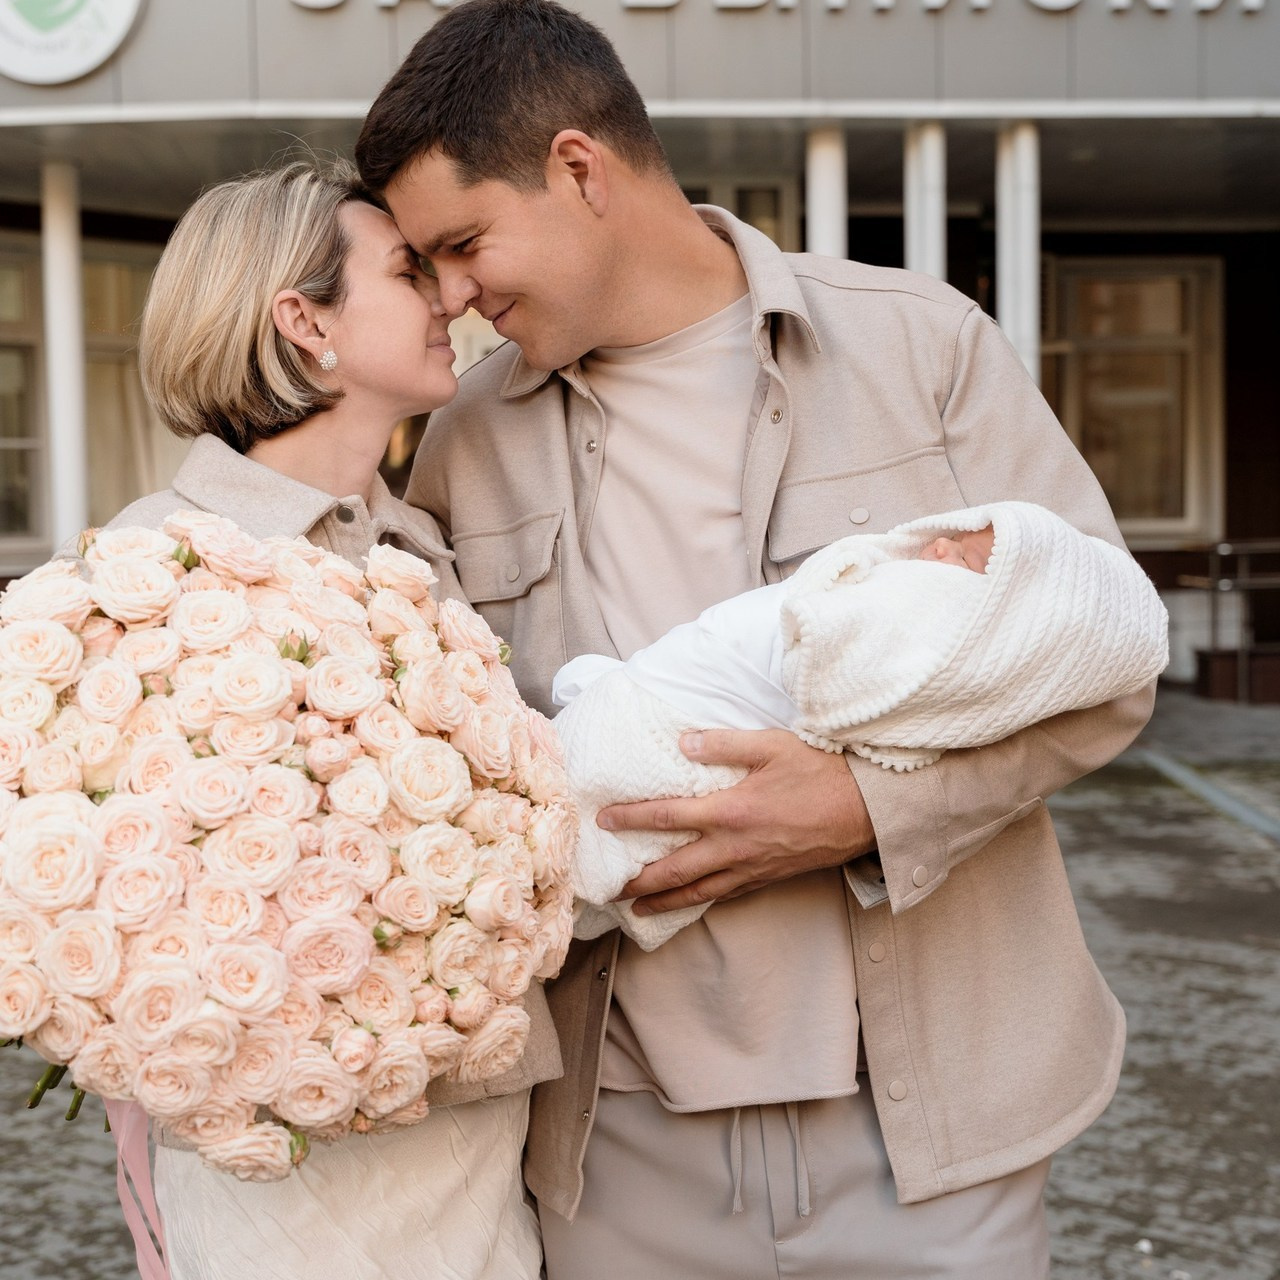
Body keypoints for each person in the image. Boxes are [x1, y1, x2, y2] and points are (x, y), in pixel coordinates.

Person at [355, 3, 1155, 1274]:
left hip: (929, 1133)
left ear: (577, 168)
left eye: (462, 244)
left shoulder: (921, 344)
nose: (451, 298)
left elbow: (1108, 658)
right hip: (616, 1145)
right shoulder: (463, 440)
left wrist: (861, 809)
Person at [101, 162, 560, 1280]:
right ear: (303, 321)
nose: (448, 296)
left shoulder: (418, 549)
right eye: (407, 271)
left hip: (474, 1130)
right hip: (288, 1157)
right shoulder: (157, 568)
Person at [553, 500, 1169, 950]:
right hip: (654, 687)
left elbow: (832, 672)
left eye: (966, 557)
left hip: (668, 724)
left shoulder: (945, 353)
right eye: (949, 539)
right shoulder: (473, 416)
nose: (936, 549)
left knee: (580, 826)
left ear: (1010, 627)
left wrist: (865, 804)